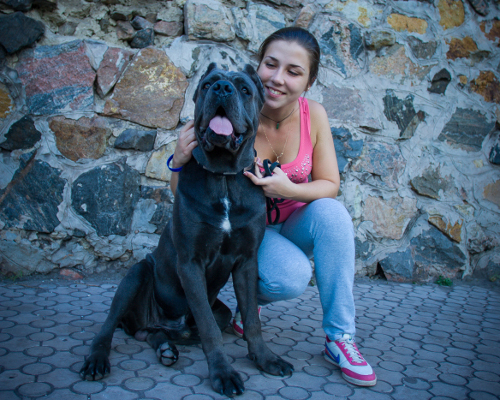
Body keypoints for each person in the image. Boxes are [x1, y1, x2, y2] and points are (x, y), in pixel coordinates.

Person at [168, 27, 377, 387]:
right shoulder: (237, 103)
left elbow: (330, 184)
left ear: (308, 82)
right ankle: (250, 312)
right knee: (291, 276)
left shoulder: (315, 116)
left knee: (333, 214)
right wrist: (179, 158)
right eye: (271, 64)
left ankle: (340, 338)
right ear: (258, 66)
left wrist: (287, 187)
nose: (278, 79)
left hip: (290, 222)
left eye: (294, 72)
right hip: (255, 231)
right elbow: (183, 194)